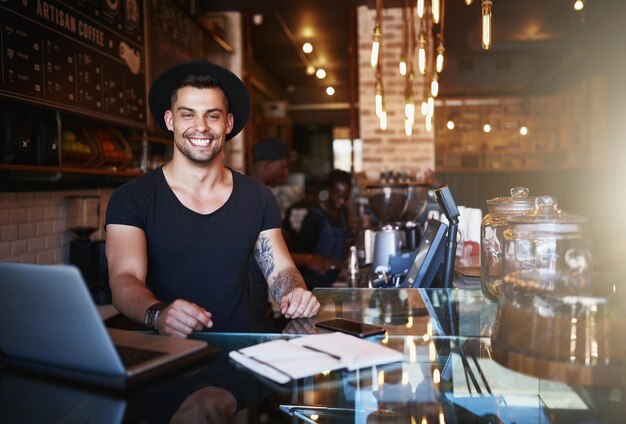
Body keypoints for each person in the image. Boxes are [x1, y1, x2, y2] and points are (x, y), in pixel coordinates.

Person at [105, 61, 319, 338]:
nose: (201, 127)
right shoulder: (133, 198)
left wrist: (295, 293)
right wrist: (159, 313)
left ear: (228, 123)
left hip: (235, 361)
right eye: (188, 115)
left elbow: (281, 271)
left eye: (213, 116)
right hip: (160, 365)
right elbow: (124, 279)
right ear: (170, 120)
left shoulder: (256, 197)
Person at [289, 169, 353, 289]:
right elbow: (301, 254)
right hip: (315, 283)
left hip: (337, 279)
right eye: (338, 196)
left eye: (346, 197)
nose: (342, 201)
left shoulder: (343, 213)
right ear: (328, 191)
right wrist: (316, 261)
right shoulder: (314, 217)